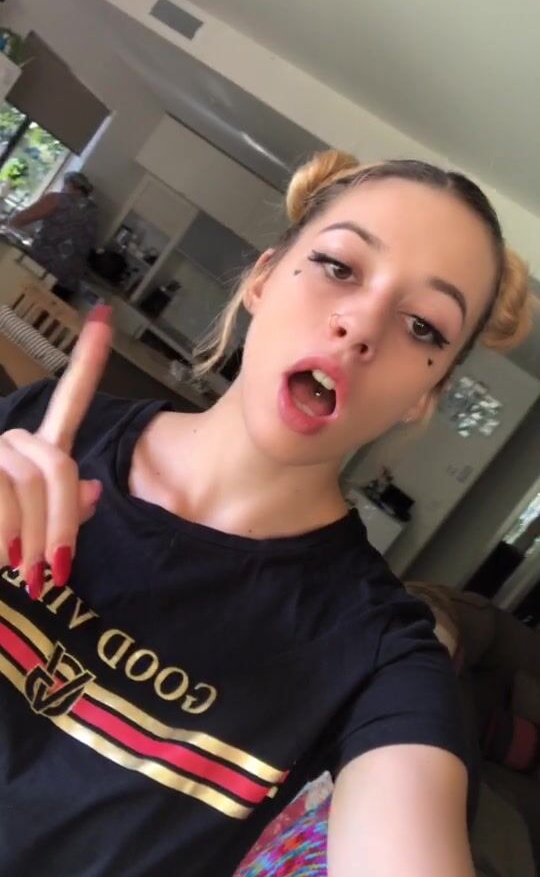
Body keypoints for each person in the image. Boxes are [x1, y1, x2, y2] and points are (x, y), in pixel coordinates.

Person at [0, 150, 533, 877]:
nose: (361, 325)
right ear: (263, 278)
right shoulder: (34, 431)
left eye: (423, 326)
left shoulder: (379, 655)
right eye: (339, 267)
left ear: (424, 395)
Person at [8, 170, 98, 298]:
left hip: (44, 272)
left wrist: (9, 224)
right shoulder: (93, 211)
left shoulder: (58, 199)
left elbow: (20, 219)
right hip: (67, 284)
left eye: (64, 185)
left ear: (70, 185)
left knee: (15, 304)